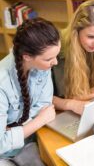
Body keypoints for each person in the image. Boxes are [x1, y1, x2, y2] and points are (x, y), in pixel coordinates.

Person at [0, 18, 60, 165]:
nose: (56, 62)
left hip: (30, 141)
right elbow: (1, 144)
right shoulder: (2, 82)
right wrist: (39, 120)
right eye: (49, 59)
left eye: (56, 56)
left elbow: (44, 108)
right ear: (26, 56)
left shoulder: (43, 66)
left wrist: (13, 128)